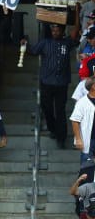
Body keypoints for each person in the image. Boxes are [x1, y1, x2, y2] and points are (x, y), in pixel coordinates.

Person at [21, 10, 80, 148]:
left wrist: (77, 12)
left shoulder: (67, 42)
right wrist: (24, 44)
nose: (55, 32)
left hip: (62, 83)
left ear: (62, 30)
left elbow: (76, 30)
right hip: (46, 82)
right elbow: (32, 51)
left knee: (60, 111)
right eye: (53, 30)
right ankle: (52, 129)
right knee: (46, 108)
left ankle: (61, 138)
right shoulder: (44, 42)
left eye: (57, 29)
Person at [71, 76, 95, 163]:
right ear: (93, 87)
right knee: (87, 170)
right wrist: (78, 139)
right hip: (90, 140)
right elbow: (74, 120)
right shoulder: (82, 102)